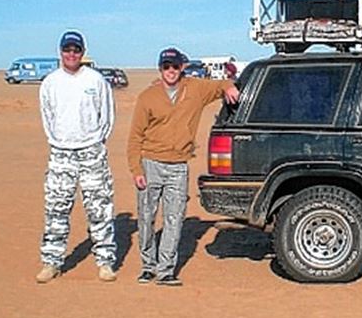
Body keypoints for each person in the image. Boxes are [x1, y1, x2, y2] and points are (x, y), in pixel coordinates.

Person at [127, 47, 239, 286]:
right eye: (166, 66)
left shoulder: (195, 88)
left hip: (178, 165)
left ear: (181, 68)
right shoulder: (148, 97)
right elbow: (135, 137)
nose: (171, 71)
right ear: (160, 68)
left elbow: (220, 84)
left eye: (175, 66)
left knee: (174, 218)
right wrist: (137, 171)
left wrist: (228, 86)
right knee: (146, 217)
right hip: (150, 163)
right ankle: (148, 266)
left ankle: (166, 270)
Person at [36, 30, 117, 283]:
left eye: (76, 50)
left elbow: (107, 117)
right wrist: (60, 142)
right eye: (67, 49)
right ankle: (52, 262)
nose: (71, 54)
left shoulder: (96, 80)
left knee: (99, 208)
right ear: (60, 52)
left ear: (82, 53)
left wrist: (95, 141)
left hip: (92, 151)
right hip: (61, 153)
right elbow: (47, 117)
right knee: (56, 209)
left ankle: (105, 262)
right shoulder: (50, 82)